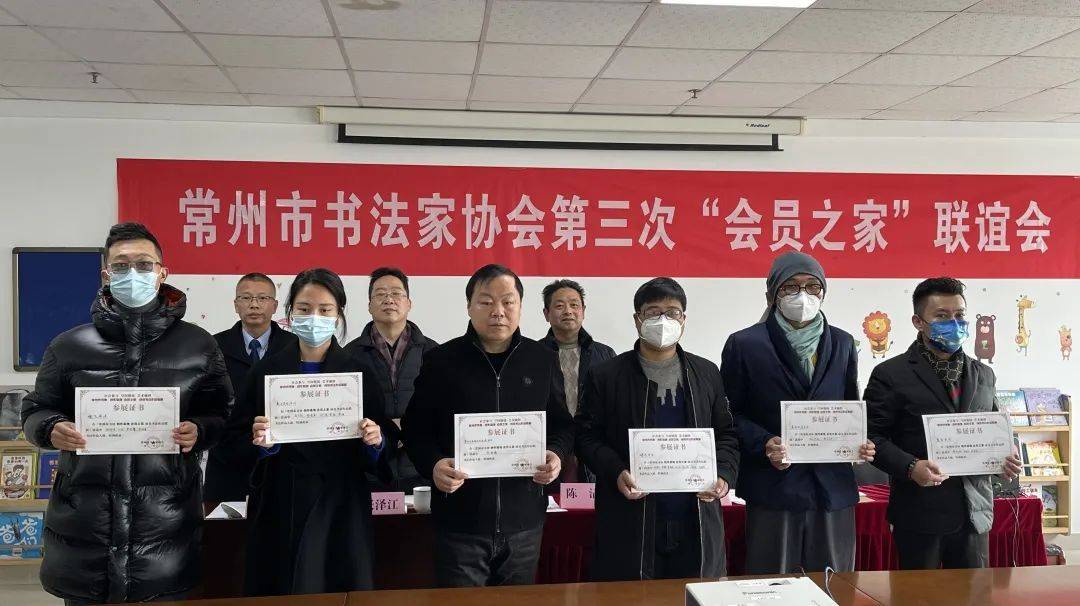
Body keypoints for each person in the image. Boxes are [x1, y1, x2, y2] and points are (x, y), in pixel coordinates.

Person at [20, 222, 232, 605]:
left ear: (162, 273)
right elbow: (36, 409)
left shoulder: (198, 345)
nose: (132, 273)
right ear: (106, 275)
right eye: (121, 265)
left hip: (164, 532)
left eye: (144, 264)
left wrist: (199, 430)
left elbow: (221, 412)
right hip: (86, 533)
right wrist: (50, 428)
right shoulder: (68, 346)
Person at [402, 264, 574, 587]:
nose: (498, 311)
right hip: (460, 522)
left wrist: (556, 454)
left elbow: (563, 426)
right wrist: (433, 464)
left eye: (508, 302)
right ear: (469, 306)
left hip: (524, 522)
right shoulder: (441, 361)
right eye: (486, 302)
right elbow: (415, 429)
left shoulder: (542, 360)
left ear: (520, 307)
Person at [236, 268, 396, 595]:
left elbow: (385, 438)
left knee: (340, 588)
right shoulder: (266, 371)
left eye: (325, 310)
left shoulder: (358, 372)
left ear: (338, 314)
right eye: (304, 309)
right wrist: (261, 444)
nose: (314, 318)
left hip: (341, 504)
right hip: (281, 501)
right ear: (290, 312)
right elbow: (233, 437)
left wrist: (376, 442)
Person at [721, 251, 875, 575]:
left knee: (834, 585)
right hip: (773, 488)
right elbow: (729, 415)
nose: (802, 295)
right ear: (773, 293)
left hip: (832, 489)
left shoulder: (843, 343)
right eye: (790, 286)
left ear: (823, 292)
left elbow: (850, 408)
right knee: (771, 585)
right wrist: (764, 442)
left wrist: (859, 442)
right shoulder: (744, 344)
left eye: (812, 286)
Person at [576, 277, 739, 581]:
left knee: (693, 595)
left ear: (684, 320)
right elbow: (586, 437)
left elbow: (727, 434)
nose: (663, 320)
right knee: (631, 598)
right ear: (637, 319)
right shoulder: (606, 375)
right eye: (653, 312)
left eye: (672, 312)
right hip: (629, 520)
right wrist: (616, 471)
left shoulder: (706, 373)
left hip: (696, 519)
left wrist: (724, 474)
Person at [865, 277, 1022, 570]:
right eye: (941, 316)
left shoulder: (984, 374)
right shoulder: (890, 374)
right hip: (919, 513)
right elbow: (872, 437)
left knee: (975, 593)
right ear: (918, 322)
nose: (954, 323)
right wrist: (911, 467)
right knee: (917, 593)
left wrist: (1006, 455)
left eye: (960, 315)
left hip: (975, 513)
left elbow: (994, 427)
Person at [204, 273, 297, 508]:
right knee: (226, 530)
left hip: (281, 463)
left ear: (275, 305)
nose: (254, 304)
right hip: (227, 463)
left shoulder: (295, 347)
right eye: (246, 298)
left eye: (262, 298)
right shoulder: (212, 347)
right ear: (236, 305)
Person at [344, 267, 438, 494]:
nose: (389, 300)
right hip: (371, 470)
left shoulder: (433, 352)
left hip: (420, 471)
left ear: (409, 303)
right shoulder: (349, 356)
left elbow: (443, 409)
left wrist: (409, 429)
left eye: (396, 293)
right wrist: (385, 431)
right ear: (369, 305)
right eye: (380, 294)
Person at [538, 279, 615, 483]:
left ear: (583, 311)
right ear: (546, 313)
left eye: (574, 305)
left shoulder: (605, 355)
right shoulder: (533, 355)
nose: (568, 311)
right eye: (559, 306)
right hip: (549, 451)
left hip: (593, 450)